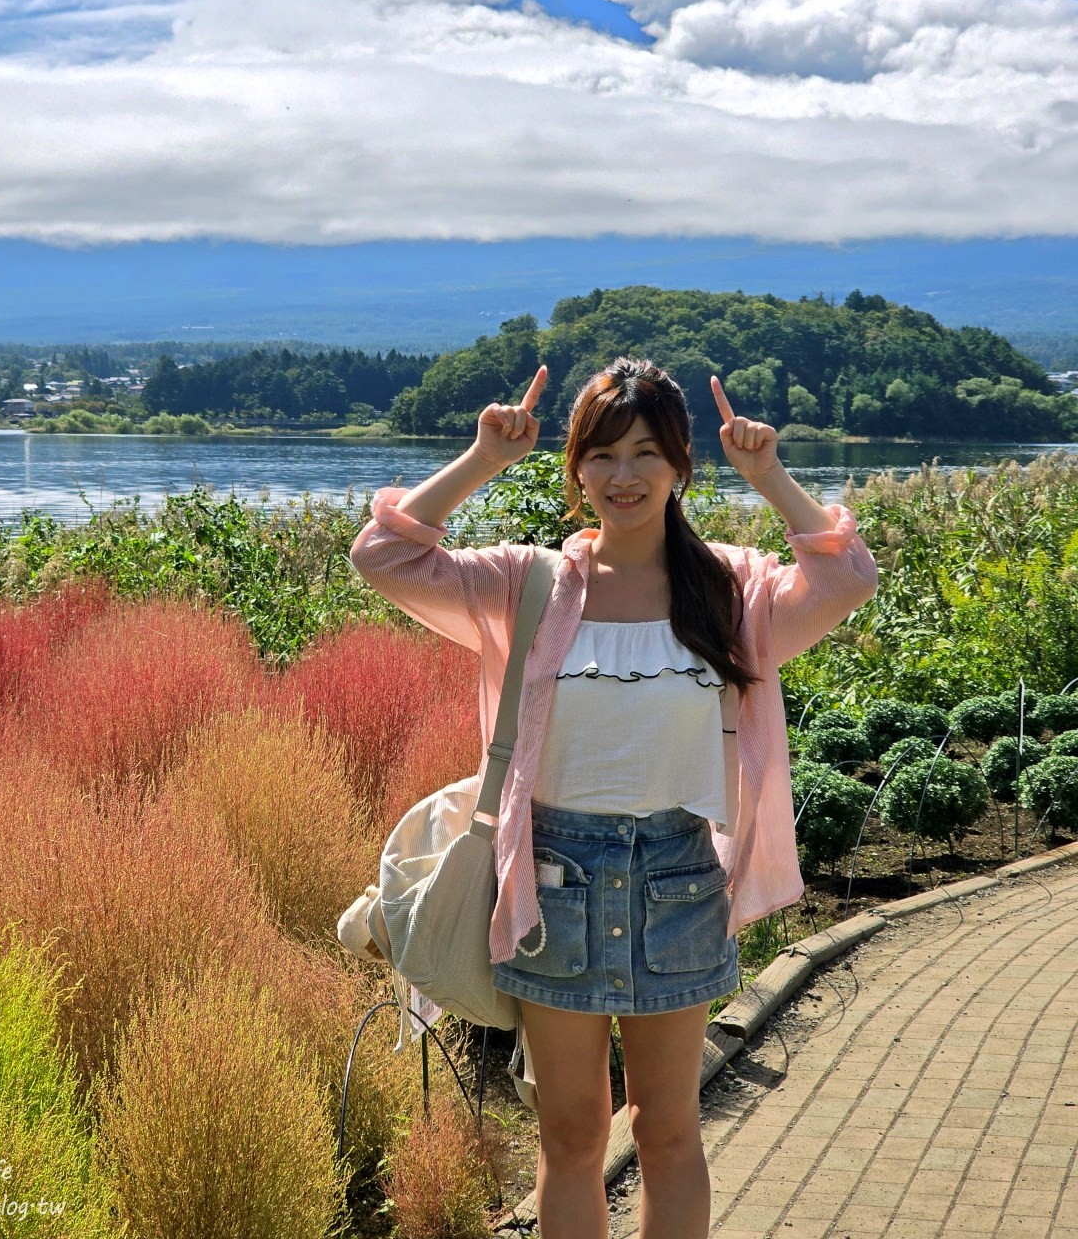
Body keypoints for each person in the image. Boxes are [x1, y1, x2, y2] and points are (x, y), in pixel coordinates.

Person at [349, 356, 880, 1239]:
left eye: (645, 454)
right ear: (575, 469)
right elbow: (386, 554)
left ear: (680, 467)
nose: (622, 477)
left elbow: (844, 578)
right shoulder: (529, 583)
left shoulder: (730, 589)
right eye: (600, 455)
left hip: (675, 879)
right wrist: (483, 460)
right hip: (553, 883)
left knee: (669, 1133)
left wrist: (770, 476)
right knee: (569, 1137)